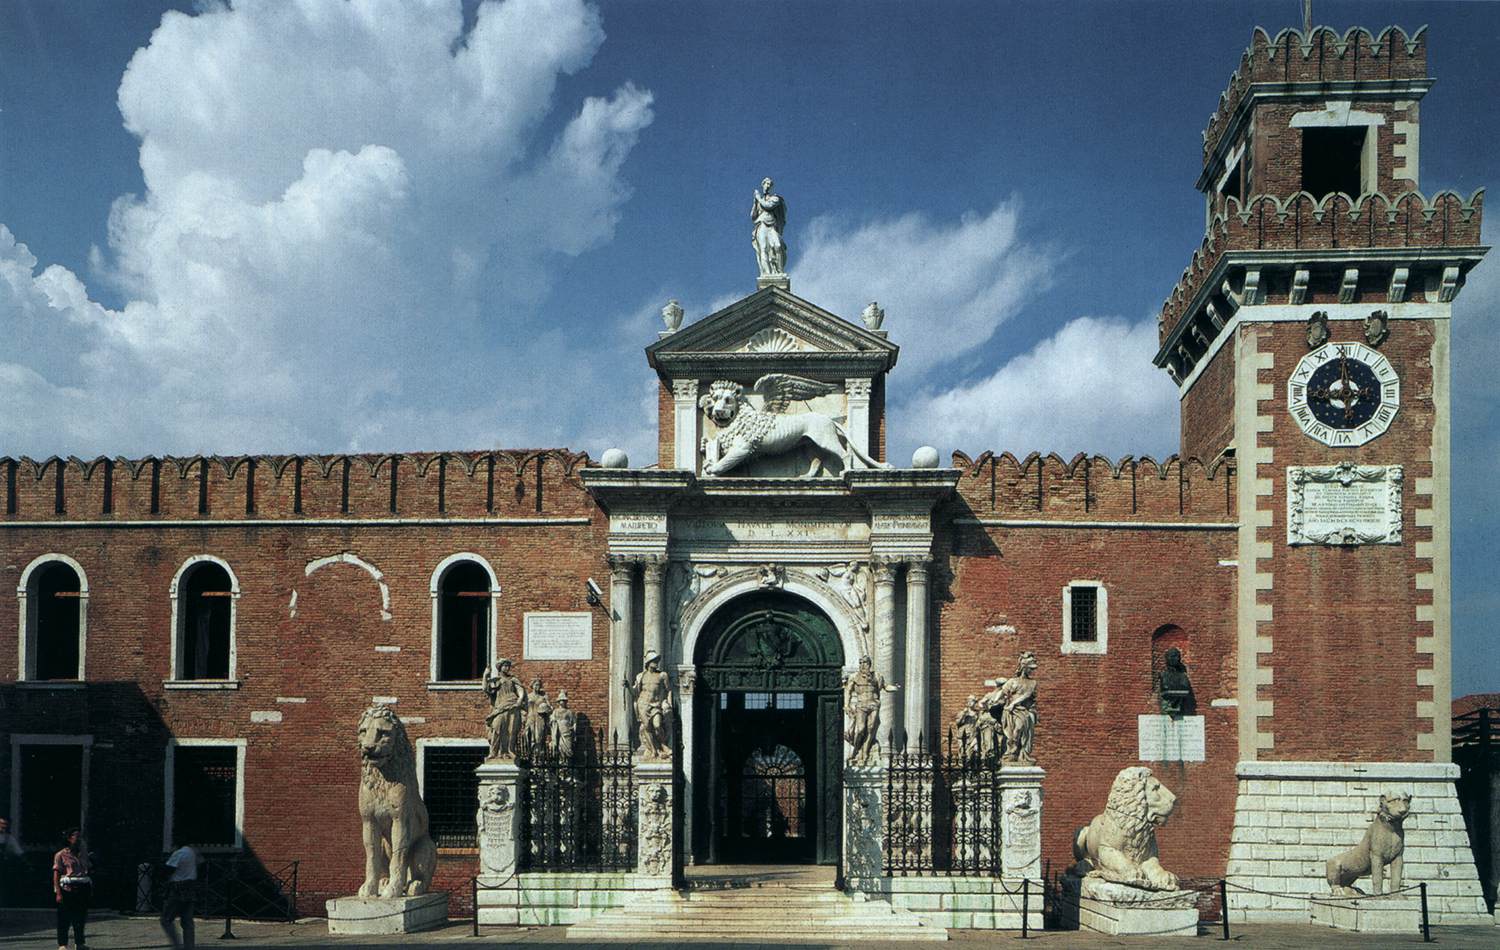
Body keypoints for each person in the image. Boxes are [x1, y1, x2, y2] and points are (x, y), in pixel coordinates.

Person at [629, 651, 673, 760]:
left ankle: (663, 745)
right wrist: (627, 686)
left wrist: (668, 703)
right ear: (648, 663)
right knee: (647, 727)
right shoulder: (641, 676)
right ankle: (653, 750)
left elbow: (668, 690)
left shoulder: (662, 675)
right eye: (654, 661)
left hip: (656, 704)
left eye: (657, 661)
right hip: (643, 704)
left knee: (657, 725)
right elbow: (635, 692)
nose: (656, 663)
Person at [52, 827, 91, 950]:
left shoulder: (83, 853)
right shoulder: (61, 855)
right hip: (67, 888)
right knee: (64, 918)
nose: (78, 839)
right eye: (76, 836)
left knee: (80, 917)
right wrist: (58, 892)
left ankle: (79, 943)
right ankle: (62, 944)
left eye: (80, 837)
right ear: (69, 838)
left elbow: (87, 867)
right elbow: (56, 874)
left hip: (82, 886)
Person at [160, 840, 202, 949]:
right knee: (187, 921)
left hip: (177, 888)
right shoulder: (192, 852)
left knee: (166, 919)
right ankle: (189, 946)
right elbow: (200, 863)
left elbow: (168, 869)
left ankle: (176, 945)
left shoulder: (179, 853)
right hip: (190, 886)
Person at [482, 658, 525, 760]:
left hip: (512, 705)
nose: (507, 668)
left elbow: (520, 690)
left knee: (511, 730)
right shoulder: (496, 680)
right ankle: (494, 752)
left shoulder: (513, 679)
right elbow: (486, 689)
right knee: (497, 727)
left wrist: (520, 700)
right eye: (504, 666)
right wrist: (485, 675)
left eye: (508, 666)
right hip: (500, 707)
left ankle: (509, 751)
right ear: (500, 667)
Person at [750, 177, 787, 277]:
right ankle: (766, 273)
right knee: (763, 248)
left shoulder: (775, 198)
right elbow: (753, 216)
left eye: (769, 184)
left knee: (777, 246)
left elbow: (768, 206)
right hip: (761, 225)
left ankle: (779, 271)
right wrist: (755, 202)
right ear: (763, 185)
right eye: (766, 184)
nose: (767, 186)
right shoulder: (760, 201)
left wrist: (758, 198)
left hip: (772, 227)